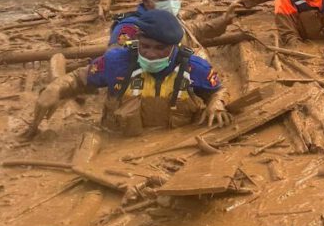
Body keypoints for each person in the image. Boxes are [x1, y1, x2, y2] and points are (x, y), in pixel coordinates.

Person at [27, 10, 230, 137]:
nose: (151, 54)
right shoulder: (115, 61)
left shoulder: (195, 68)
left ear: (175, 47)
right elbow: (78, 79)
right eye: (146, 46)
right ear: (137, 42)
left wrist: (217, 104)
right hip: (117, 138)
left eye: (160, 48)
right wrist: (56, 87)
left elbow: (218, 89)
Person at [109, 0, 235, 47]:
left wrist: (224, 20)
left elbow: (193, 32)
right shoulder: (130, 27)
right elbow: (115, 61)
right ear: (146, 1)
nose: (170, 4)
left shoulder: (174, 19)